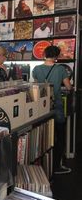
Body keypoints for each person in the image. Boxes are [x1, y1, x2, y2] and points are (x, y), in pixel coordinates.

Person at [32, 45, 73, 175]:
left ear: (44, 54)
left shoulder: (36, 69)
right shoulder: (60, 69)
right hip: (57, 108)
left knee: (44, 137)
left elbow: (37, 87)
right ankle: (56, 166)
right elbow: (68, 87)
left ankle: (43, 165)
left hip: (42, 109)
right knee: (59, 138)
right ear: (56, 56)